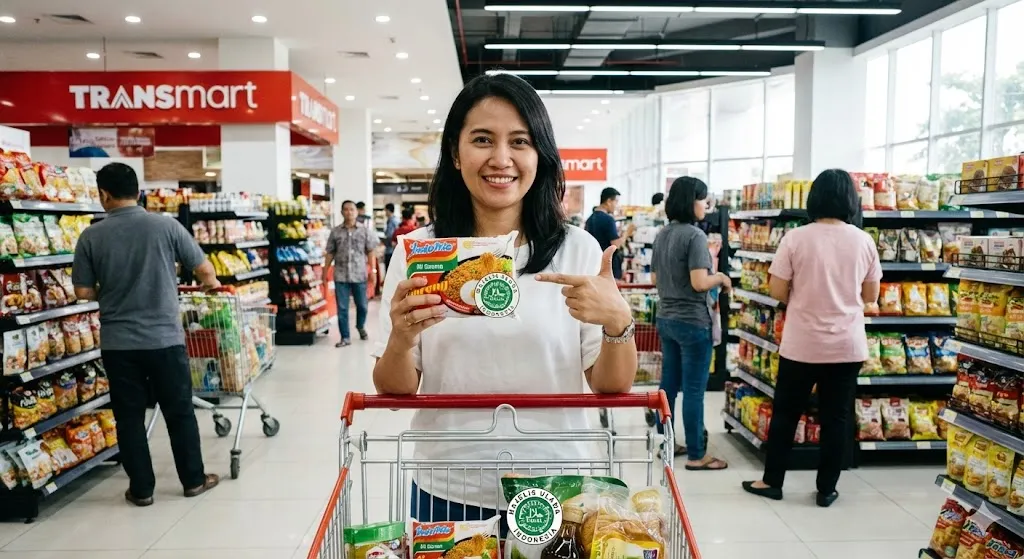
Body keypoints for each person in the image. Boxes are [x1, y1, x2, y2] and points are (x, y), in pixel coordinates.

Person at [372, 73, 637, 526]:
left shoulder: (578, 250)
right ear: (455, 153)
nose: (501, 158)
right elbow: (395, 392)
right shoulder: (419, 254)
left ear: (540, 155)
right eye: (481, 139)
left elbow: (611, 388)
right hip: (447, 486)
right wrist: (400, 339)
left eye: (520, 141)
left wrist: (618, 323)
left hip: (559, 486)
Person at [71, 162, 220, 507]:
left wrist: (107, 290)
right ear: (138, 192)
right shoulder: (166, 226)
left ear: (104, 195)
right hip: (165, 339)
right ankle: (193, 480)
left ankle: (142, 489)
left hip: (119, 344)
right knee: (179, 412)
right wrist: (209, 285)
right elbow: (205, 270)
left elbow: (81, 291)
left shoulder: (91, 235)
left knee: (129, 417)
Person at [742, 169, 882, 507]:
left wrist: (804, 300)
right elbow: (870, 293)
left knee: (786, 413)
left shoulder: (795, 238)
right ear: (850, 200)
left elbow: (776, 288)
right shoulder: (863, 240)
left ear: (813, 198)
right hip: (847, 345)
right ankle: (826, 489)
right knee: (836, 418)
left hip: (802, 343)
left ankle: (772, 481)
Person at [650, 176, 732, 470]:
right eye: (702, 199)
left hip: (666, 318)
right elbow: (699, 282)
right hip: (693, 322)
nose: (706, 204)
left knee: (668, 386)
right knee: (694, 390)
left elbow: (655, 280)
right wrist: (720, 278)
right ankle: (698, 454)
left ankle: (668, 444)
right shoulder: (695, 236)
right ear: (690, 201)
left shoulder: (662, 234)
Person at [323, 200, 379, 347]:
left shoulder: (365, 231)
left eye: (352, 209)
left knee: (362, 306)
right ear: (341, 212)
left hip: (360, 274)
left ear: (356, 212)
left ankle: (360, 326)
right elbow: (330, 253)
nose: (349, 212)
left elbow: (371, 251)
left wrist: (373, 270)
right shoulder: (335, 232)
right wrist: (325, 271)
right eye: (346, 209)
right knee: (342, 308)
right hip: (340, 275)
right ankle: (345, 337)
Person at [584, 187, 632, 280]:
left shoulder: (590, 219)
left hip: (594, 266)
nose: (617, 205)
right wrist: (627, 233)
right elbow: (615, 245)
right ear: (609, 201)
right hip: (609, 267)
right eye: (616, 202)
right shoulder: (608, 219)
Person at [383, 203, 400, 270]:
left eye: (385, 210)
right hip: (389, 249)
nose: (385, 212)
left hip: (392, 250)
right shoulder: (390, 220)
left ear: (389, 210)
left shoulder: (394, 221)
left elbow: (393, 235)